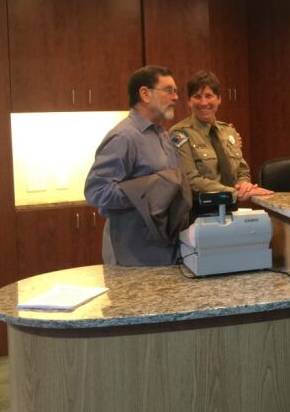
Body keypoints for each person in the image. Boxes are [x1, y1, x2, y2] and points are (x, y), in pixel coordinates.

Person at [85, 65, 192, 266]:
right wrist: (145, 194)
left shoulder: (161, 134)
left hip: (164, 252)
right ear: (145, 94)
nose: (176, 97)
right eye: (169, 90)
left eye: (176, 91)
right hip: (132, 257)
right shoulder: (124, 137)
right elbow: (96, 191)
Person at [169, 71, 272, 204]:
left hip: (232, 208)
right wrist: (235, 193)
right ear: (189, 101)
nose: (203, 102)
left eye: (209, 96)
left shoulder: (228, 131)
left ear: (219, 99)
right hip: (200, 212)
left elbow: (242, 169)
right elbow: (191, 180)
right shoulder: (180, 134)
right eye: (197, 96)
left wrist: (244, 185)